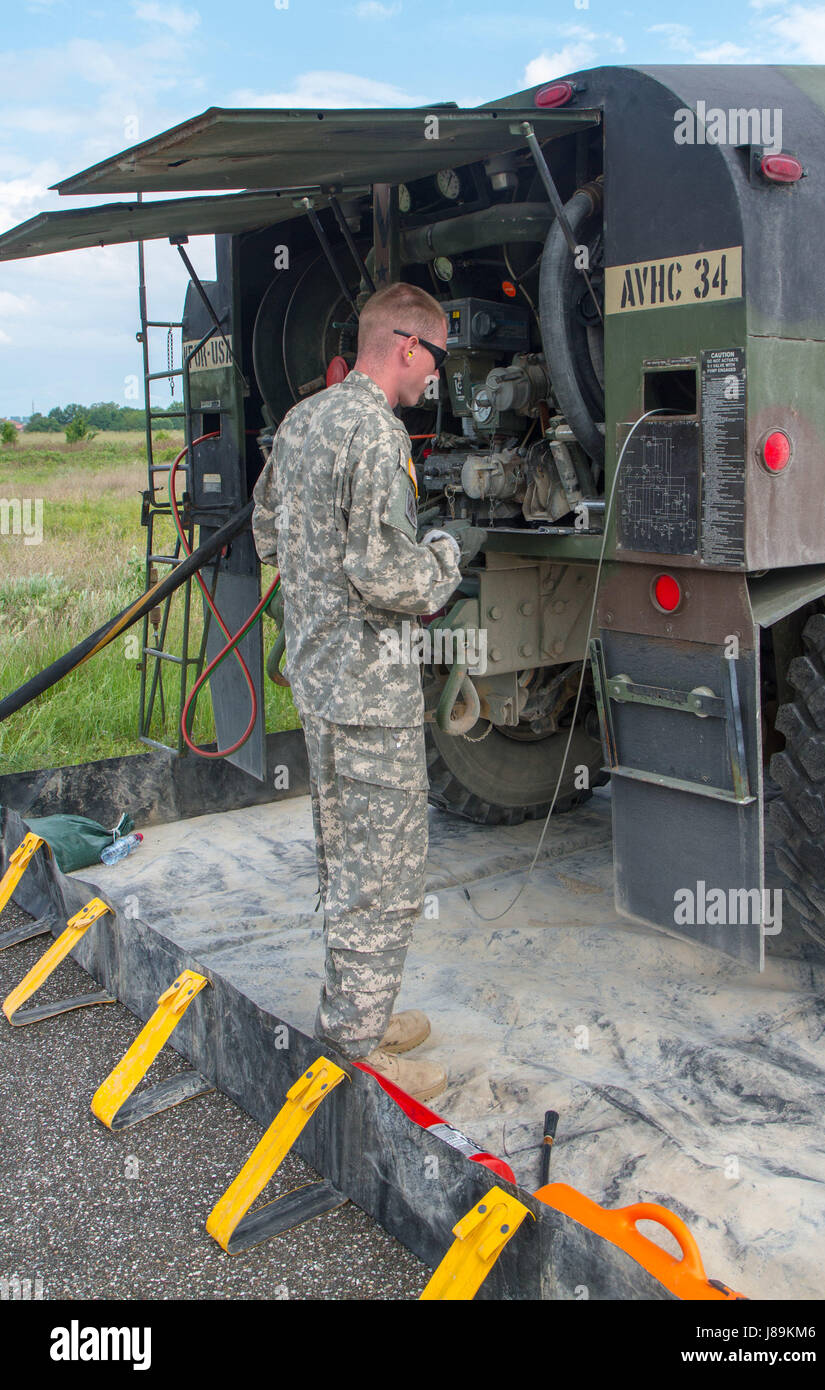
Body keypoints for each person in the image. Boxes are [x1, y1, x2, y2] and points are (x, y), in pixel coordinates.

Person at [252, 280, 483, 1101]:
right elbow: (387, 572)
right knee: (383, 876)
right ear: (407, 345)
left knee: (346, 858)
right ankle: (357, 1054)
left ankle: (362, 1010)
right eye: (438, 358)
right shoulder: (377, 435)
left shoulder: (305, 418)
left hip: (318, 683)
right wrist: (446, 563)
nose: (439, 378)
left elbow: (268, 531)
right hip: (369, 696)